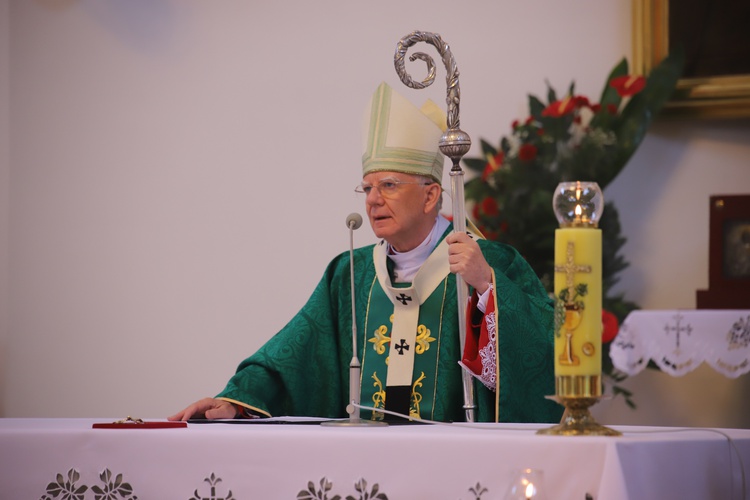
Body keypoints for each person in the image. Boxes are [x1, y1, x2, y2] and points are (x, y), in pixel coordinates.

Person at [169, 82, 562, 423]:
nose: (373, 200)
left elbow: (545, 358)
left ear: (430, 196)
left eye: (389, 185)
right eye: (367, 188)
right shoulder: (350, 274)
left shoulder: (491, 262)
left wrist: (487, 288)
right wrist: (237, 401)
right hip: (364, 459)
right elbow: (296, 357)